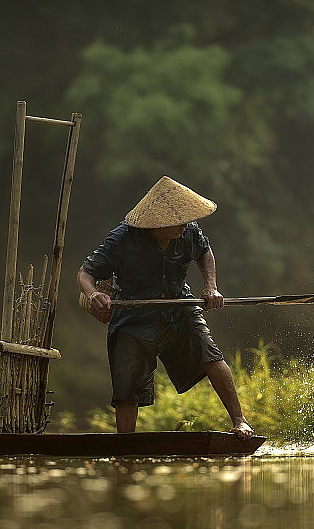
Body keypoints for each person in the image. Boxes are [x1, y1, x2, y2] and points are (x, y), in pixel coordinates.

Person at [77, 175, 254, 438]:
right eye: (177, 222)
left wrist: (210, 287)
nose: (184, 226)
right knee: (127, 385)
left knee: (209, 353)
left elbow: (205, 253)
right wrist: (93, 294)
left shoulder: (188, 232)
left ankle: (240, 421)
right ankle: (125, 444)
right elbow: (85, 273)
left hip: (178, 307)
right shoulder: (123, 239)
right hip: (133, 316)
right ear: (157, 224)